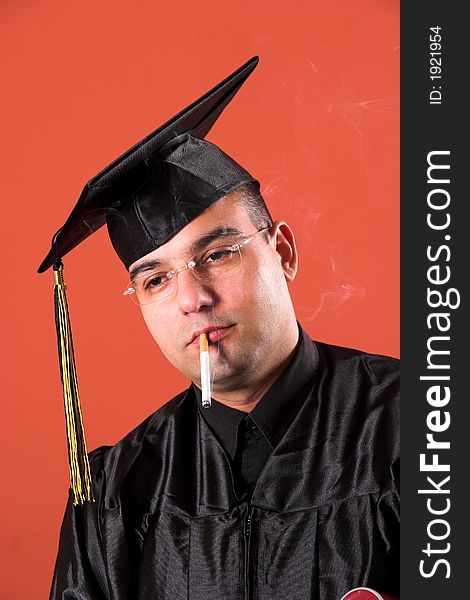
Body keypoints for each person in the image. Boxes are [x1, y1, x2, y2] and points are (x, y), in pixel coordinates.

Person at [40, 57, 399, 600]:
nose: (193, 298)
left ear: (282, 251)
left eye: (218, 254)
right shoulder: (117, 491)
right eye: (155, 279)